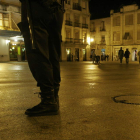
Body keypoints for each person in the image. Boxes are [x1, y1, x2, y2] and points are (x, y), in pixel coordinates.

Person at [18, 0, 64, 116]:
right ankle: (54, 97)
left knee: (37, 52)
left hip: (36, 6)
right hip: (57, 7)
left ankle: (48, 99)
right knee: (53, 52)